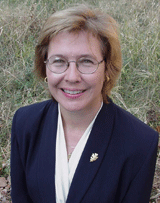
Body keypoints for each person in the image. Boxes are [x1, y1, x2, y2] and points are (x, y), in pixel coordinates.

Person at [11, 4, 159, 203]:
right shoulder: (25, 123)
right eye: (59, 61)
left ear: (107, 68)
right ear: (44, 66)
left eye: (86, 61)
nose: (72, 77)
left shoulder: (140, 143)